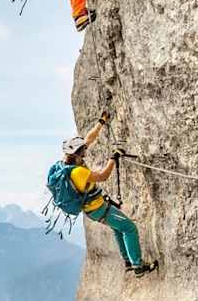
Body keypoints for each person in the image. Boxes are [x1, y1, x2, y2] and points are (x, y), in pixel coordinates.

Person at [51, 112, 156, 276]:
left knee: (118, 228)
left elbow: (88, 139)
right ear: (77, 154)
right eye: (83, 151)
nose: (85, 151)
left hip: (93, 210)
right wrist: (113, 158)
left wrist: (101, 122)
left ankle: (128, 261)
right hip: (98, 208)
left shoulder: (65, 164)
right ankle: (138, 266)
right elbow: (103, 176)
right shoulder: (78, 172)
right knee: (129, 228)